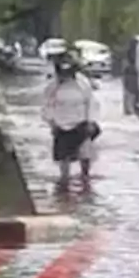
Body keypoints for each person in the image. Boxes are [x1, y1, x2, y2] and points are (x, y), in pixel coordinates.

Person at [41, 49, 99, 185]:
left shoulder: (82, 83)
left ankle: (85, 178)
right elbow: (47, 106)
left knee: (85, 154)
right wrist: (51, 122)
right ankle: (64, 180)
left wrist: (90, 121)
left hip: (80, 123)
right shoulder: (52, 87)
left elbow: (91, 102)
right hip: (61, 125)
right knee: (63, 157)